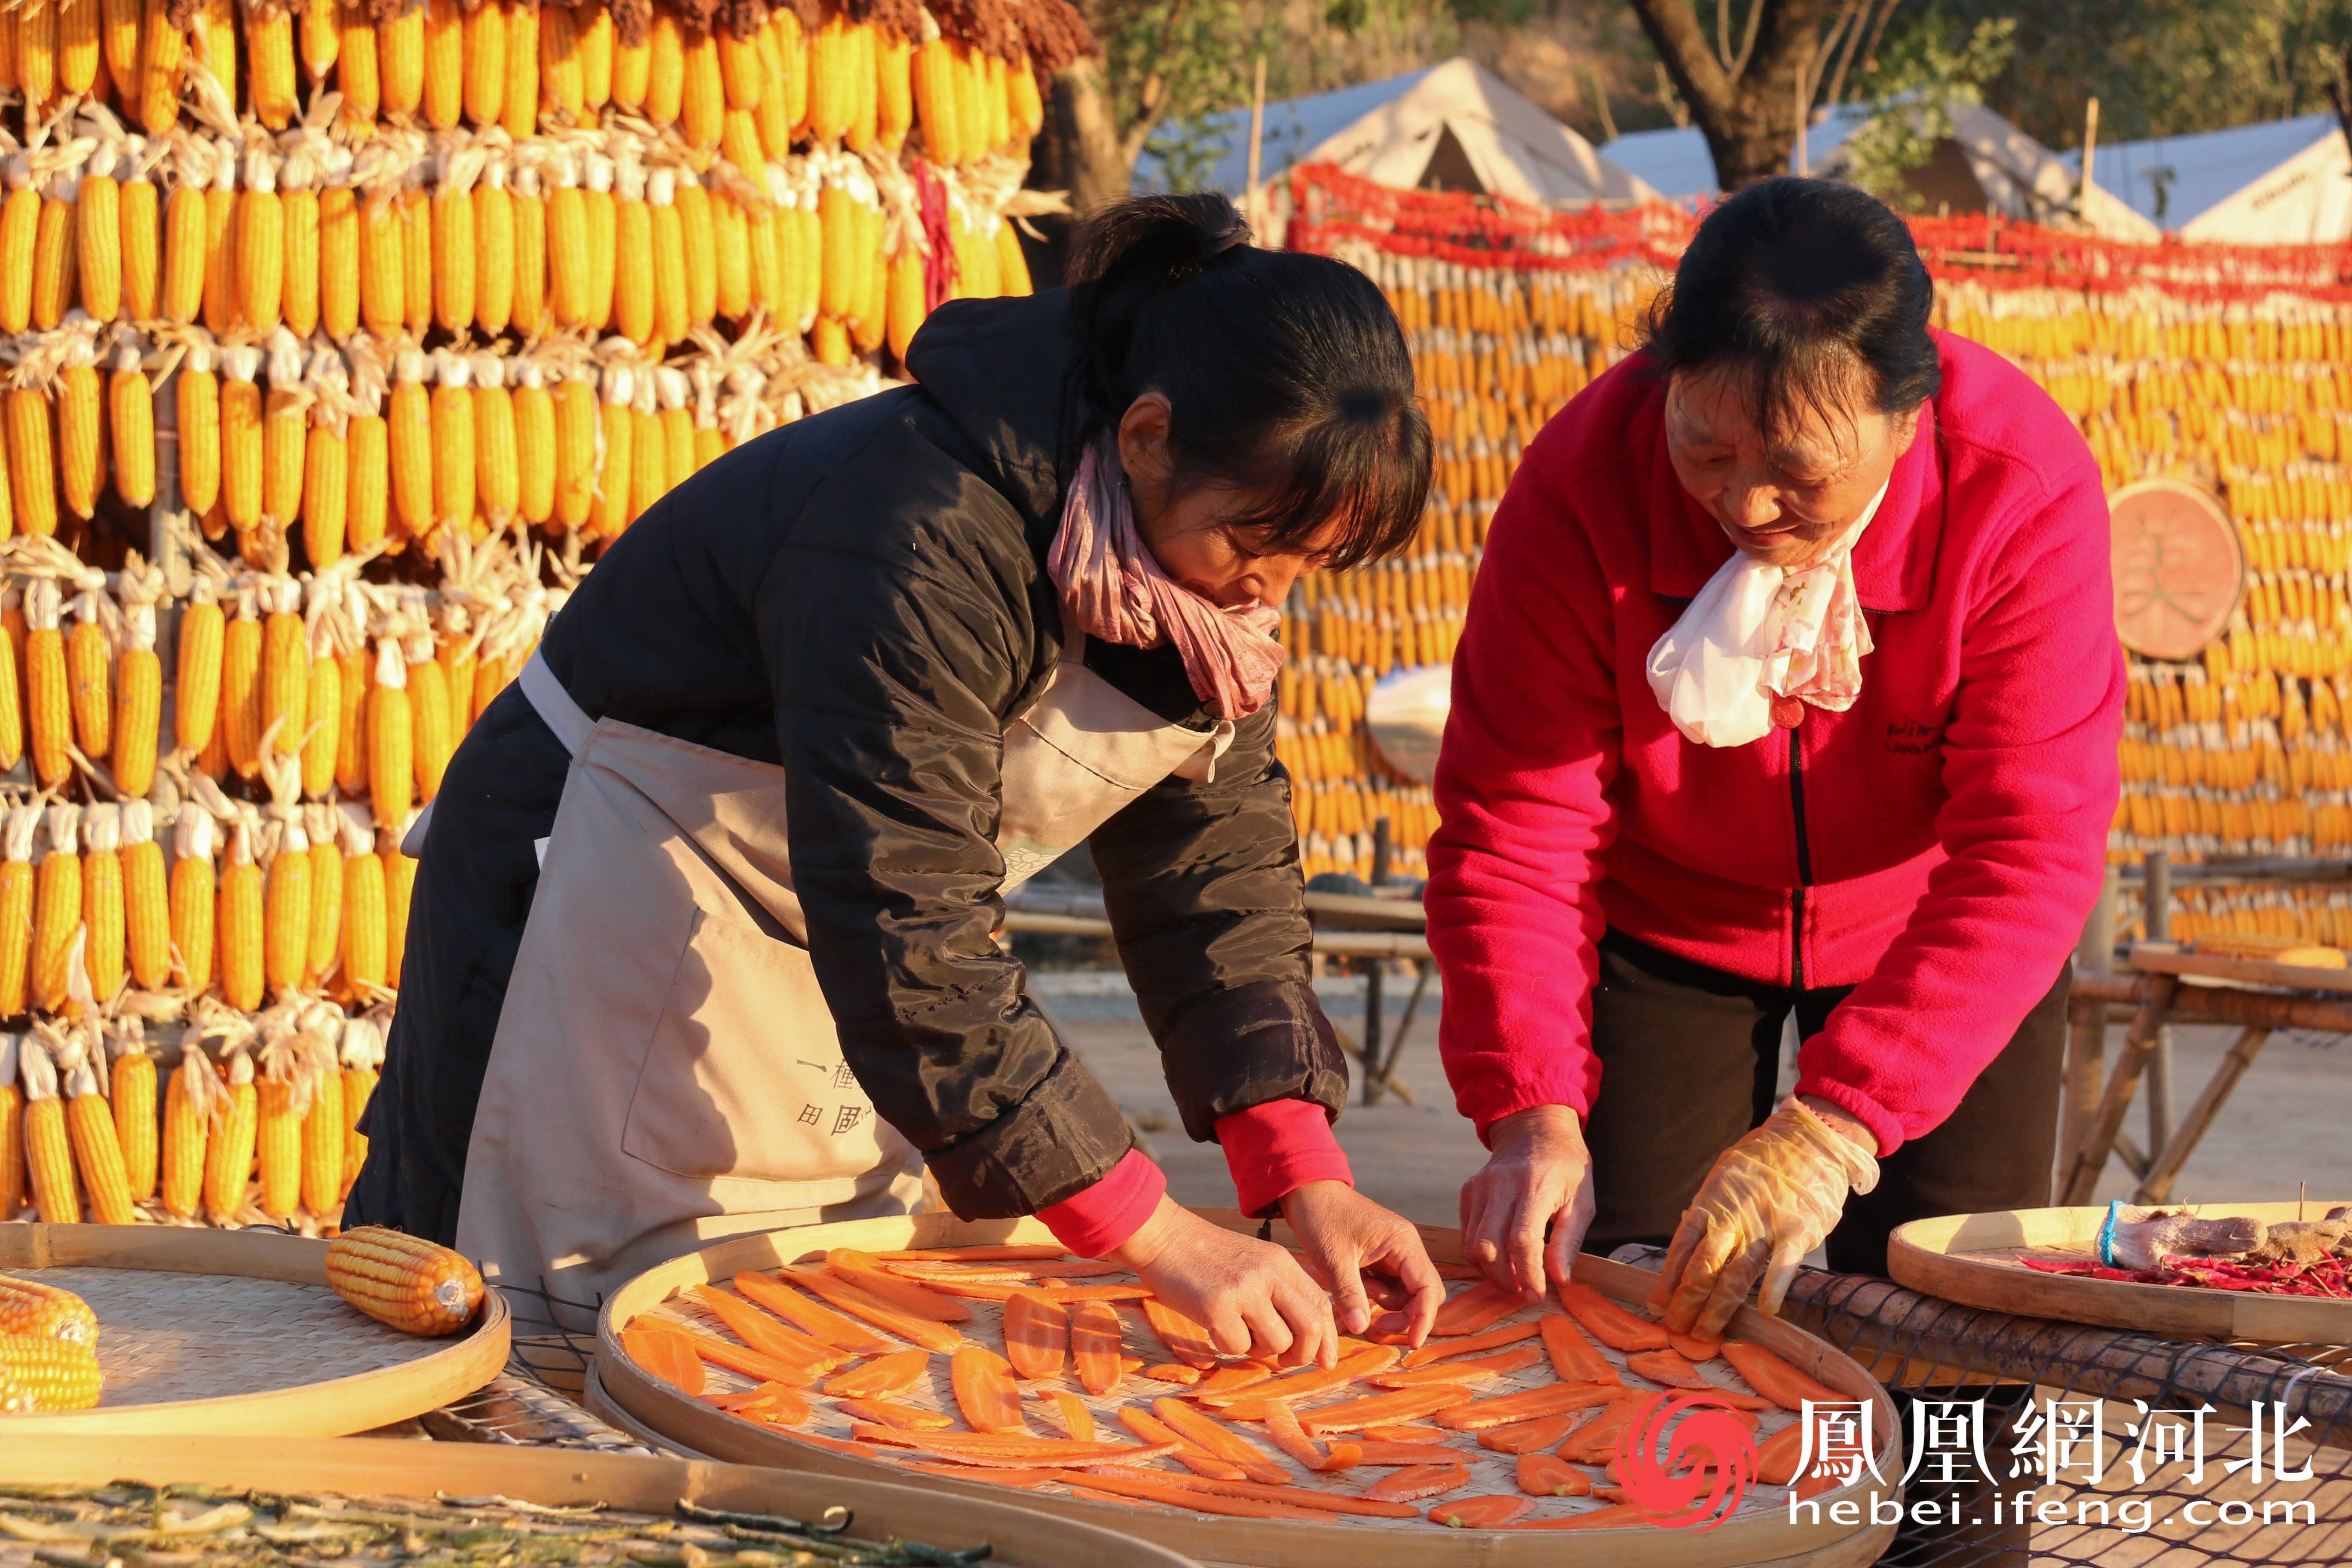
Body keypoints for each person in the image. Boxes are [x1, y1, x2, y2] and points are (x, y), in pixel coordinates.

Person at [345, 192, 1447, 1360]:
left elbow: (1214, 882)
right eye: (1254, 539)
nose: (1267, 590)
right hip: (611, 887)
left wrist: (1298, 1171)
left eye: (1309, 562)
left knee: (790, 1338)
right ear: (1146, 439)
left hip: (843, 948)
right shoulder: (916, 529)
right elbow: (904, 911)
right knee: (521, 1338)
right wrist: (1158, 1233)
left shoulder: (1197, 592)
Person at [1426, 178, 2124, 1337]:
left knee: (1958, 1334)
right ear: (1664, 382)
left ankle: (1942, 1527)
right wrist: (1531, 1109)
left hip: (1931, 939)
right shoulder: (1582, 484)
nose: (1744, 503)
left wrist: (1835, 1122)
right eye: (1704, 449)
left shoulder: (2017, 490)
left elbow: (2027, 852)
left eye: (1798, 471)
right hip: (1667, 932)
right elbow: (1517, 826)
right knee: (1646, 1312)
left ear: (1910, 418)